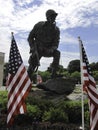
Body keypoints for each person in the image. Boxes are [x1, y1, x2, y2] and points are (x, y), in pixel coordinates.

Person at [27, 9, 60, 81]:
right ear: (47, 17)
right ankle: (26, 83)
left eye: (55, 16)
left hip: (48, 50)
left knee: (57, 53)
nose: (54, 18)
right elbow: (30, 38)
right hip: (38, 49)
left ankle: (53, 75)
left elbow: (56, 42)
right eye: (52, 16)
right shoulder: (39, 25)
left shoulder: (56, 30)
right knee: (32, 66)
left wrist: (52, 49)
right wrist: (33, 48)